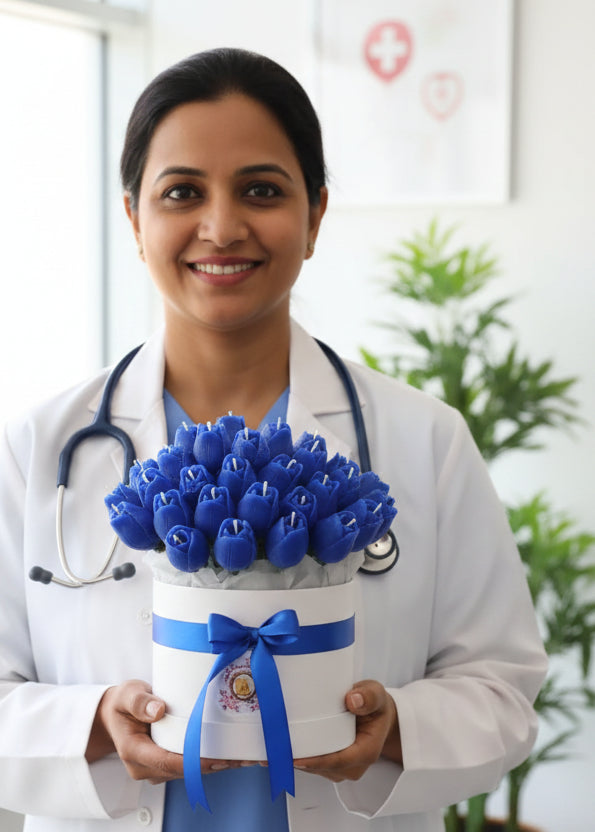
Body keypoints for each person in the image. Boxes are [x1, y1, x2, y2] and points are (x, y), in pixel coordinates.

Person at [0, 48, 547, 832]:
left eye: (261, 190)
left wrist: (397, 730)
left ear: (315, 215)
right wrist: (91, 725)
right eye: (182, 192)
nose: (221, 227)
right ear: (133, 219)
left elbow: (500, 688)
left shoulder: (424, 440)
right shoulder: (36, 445)